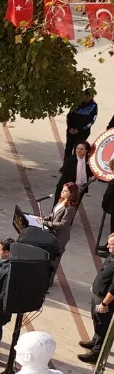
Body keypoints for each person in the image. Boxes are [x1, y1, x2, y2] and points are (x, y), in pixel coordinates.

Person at [80, 233, 114, 362]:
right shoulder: (112, 255)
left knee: (102, 325)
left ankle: (96, 353)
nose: (107, 246)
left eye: (110, 244)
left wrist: (105, 304)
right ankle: (94, 340)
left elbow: (113, 288)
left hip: (105, 300)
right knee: (96, 320)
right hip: (97, 294)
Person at [42, 183, 79, 286]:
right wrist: (44, 218)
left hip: (60, 237)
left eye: (65, 191)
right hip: (52, 233)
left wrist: (47, 223)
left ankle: (48, 282)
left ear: (72, 194)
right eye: (63, 190)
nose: (62, 192)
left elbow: (63, 224)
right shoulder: (61, 201)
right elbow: (53, 215)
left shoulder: (70, 208)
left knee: (54, 258)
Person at [56, 140, 94, 205]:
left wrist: (94, 176)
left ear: (86, 150)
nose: (78, 150)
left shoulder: (89, 161)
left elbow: (91, 172)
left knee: (74, 207)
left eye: (81, 149)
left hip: (80, 189)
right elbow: (66, 175)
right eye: (77, 148)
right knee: (59, 207)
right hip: (66, 189)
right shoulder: (70, 159)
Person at [64, 89, 98, 159]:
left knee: (78, 151)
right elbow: (69, 116)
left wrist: (79, 129)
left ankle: (76, 165)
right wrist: (70, 128)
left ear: (92, 97)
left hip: (82, 133)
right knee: (68, 149)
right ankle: (66, 165)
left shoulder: (93, 106)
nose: (87, 97)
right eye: (86, 95)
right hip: (71, 131)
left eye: (89, 96)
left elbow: (91, 121)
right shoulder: (77, 103)